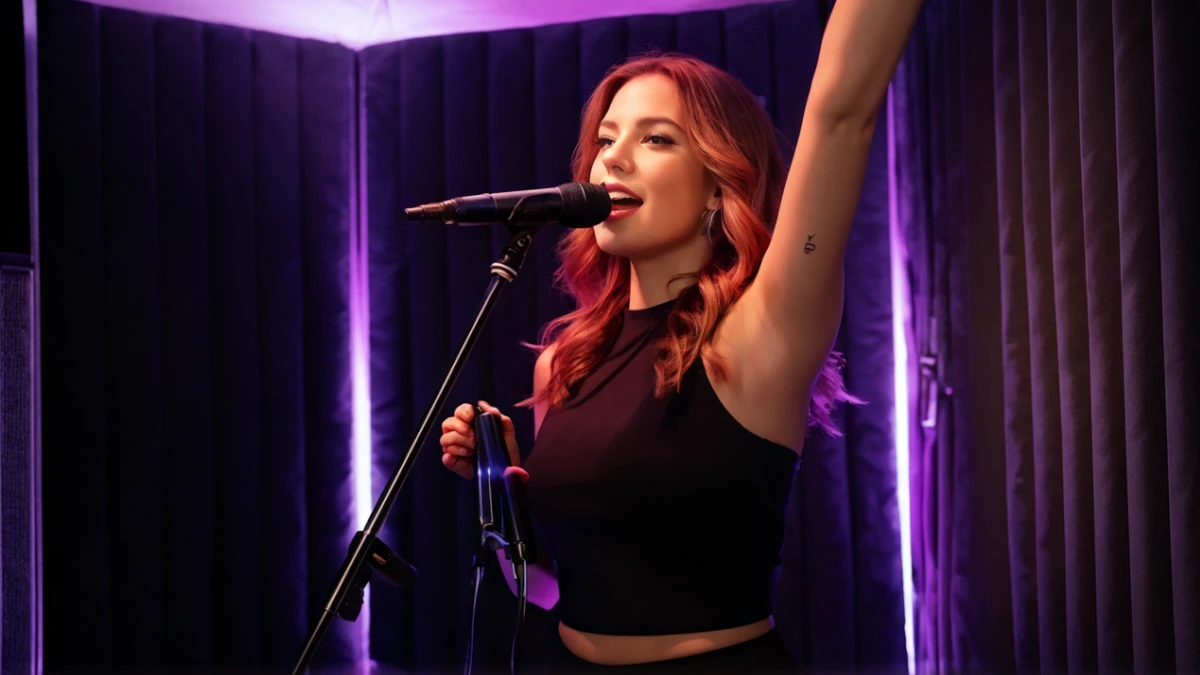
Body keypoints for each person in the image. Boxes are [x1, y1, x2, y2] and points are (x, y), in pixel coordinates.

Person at [439, 2, 922, 671]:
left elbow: (842, 114)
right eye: (606, 139)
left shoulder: (760, 331)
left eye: (656, 138)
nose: (614, 159)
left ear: (718, 185)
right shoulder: (562, 363)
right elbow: (548, 588)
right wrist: (503, 493)